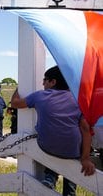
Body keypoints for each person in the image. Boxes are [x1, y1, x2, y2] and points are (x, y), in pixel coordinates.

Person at [11, 66, 95, 195]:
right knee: (71, 160)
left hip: (46, 147)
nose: (43, 83)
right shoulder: (79, 100)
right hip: (72, 151)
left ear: (53, 82)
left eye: (45, 80)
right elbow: (85, 129)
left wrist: (19, 88)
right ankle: (69, 191)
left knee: (54, 144)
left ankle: (50, 176)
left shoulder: (39, 96)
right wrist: (85, 158)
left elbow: (15, 103)